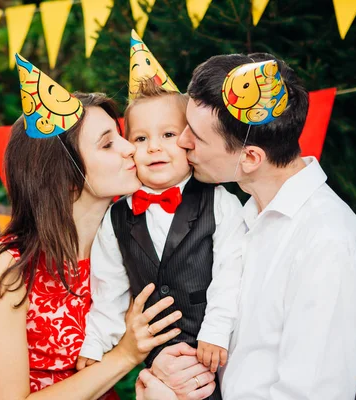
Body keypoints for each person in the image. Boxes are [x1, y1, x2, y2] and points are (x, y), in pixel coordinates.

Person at [139, 53, 356, 399]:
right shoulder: (241, 213)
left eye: (196, 135)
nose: (180, 141)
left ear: (250, 158)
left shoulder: (330, 245)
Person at [0, 54, 184, 400]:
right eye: (107, 143)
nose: (131, 148)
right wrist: (125, 355)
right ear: (65, 176)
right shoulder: (9, 264)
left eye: (120, 136)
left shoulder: (137, 235)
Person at [76, 79, 245, 400]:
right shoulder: (115, 218)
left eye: (168, 135)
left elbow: (231, 273)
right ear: (129, 148)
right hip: (160, 366)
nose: (154, 147)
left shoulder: (221, 201)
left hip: (219, 350)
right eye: (141, 138)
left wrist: (216, 331)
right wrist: (96, 343)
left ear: (190, 141)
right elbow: (108, 290)